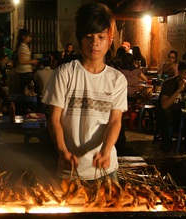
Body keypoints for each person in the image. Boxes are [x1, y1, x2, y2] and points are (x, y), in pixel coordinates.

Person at [42, 2, 127, 180]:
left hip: (106, 171)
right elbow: (54, 119)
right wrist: (62, 151)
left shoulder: (117, 79)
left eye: (100, 37)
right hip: (71, 170)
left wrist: (105, 152)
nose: (94, 43)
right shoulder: (65, 73)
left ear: (110, 39)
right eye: (89, 37)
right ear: (80, 39)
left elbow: (115, 121)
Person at [156, 61, 186, 152]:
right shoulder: (169, 83)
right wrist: (179, 89)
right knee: (166, 115)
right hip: (168, 114)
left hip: (183, 115)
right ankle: (166, 147)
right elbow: (164, 105)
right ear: (179, 72)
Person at [14, 28, 39, 94]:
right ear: (24, 37)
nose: (30, 38)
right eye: (29, 36)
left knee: (24, 89)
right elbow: (21, 61)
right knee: (28, 88)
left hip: (26, 71)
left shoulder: (25, 46)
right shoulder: (22, 47)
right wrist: (32, 61)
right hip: (24, 71)